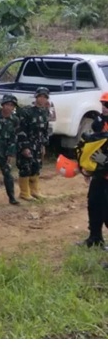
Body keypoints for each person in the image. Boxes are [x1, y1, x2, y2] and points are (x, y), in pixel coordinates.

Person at [77, 92, 108, 249]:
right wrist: (87, 168)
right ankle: (95, 238)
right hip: (100, 173)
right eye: (103, 104)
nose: (104, 108)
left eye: (107, 105)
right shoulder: (99, 123)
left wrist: (106, 161)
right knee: (94, 204)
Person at [17, 86, 52, 200]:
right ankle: (24, 192)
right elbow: (21, 130)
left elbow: (45, 130)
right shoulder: (27, 111)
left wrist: (44, 145)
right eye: (40, 96)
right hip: (27, 144)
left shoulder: (45, 112)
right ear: (36, 97)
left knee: (36, 167)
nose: (42, 99)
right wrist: (25, 147)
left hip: (38, 144)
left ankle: (35, 191)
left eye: (44, 97)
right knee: (25, 167)